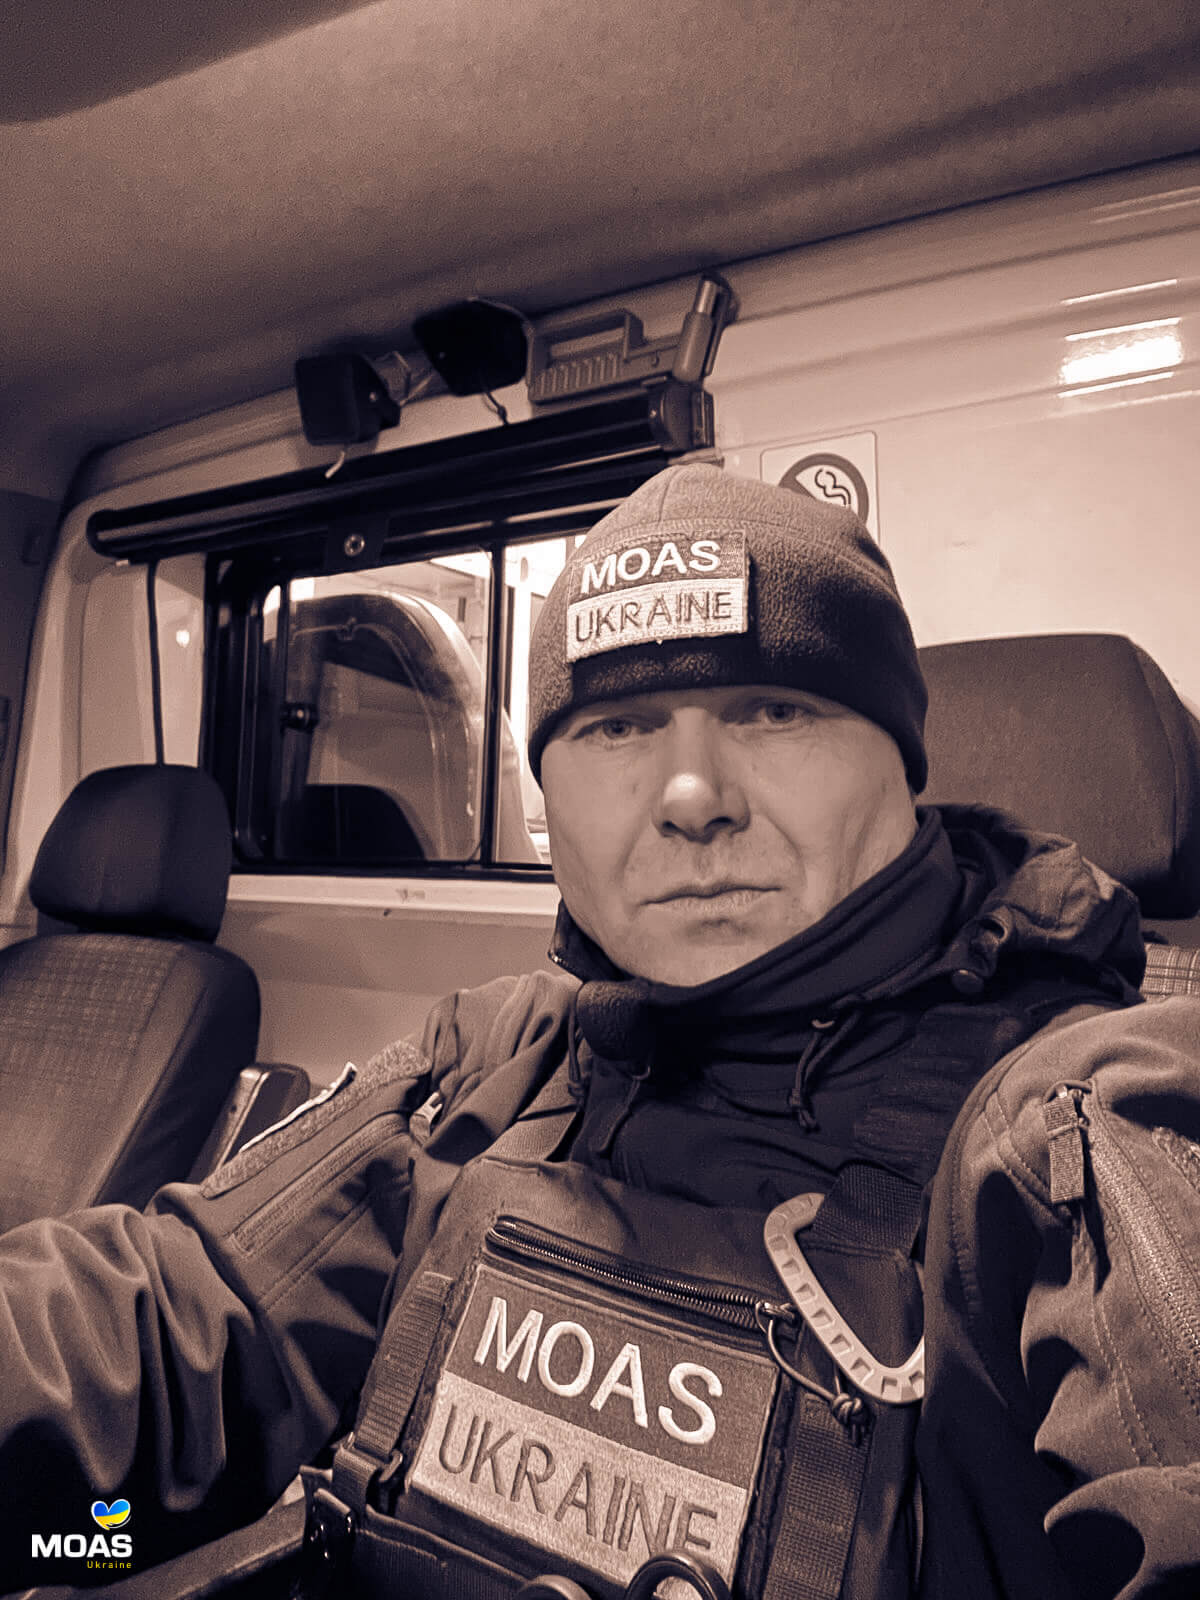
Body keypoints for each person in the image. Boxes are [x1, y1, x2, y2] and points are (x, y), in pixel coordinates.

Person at [1, 462, 1198, 1600]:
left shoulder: (1079, 1131)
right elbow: (163, 1325)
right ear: (548, 795)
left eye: (774, 709)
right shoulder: (497, 1056)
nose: (693, 797)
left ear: (902, 761)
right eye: (619, 728)